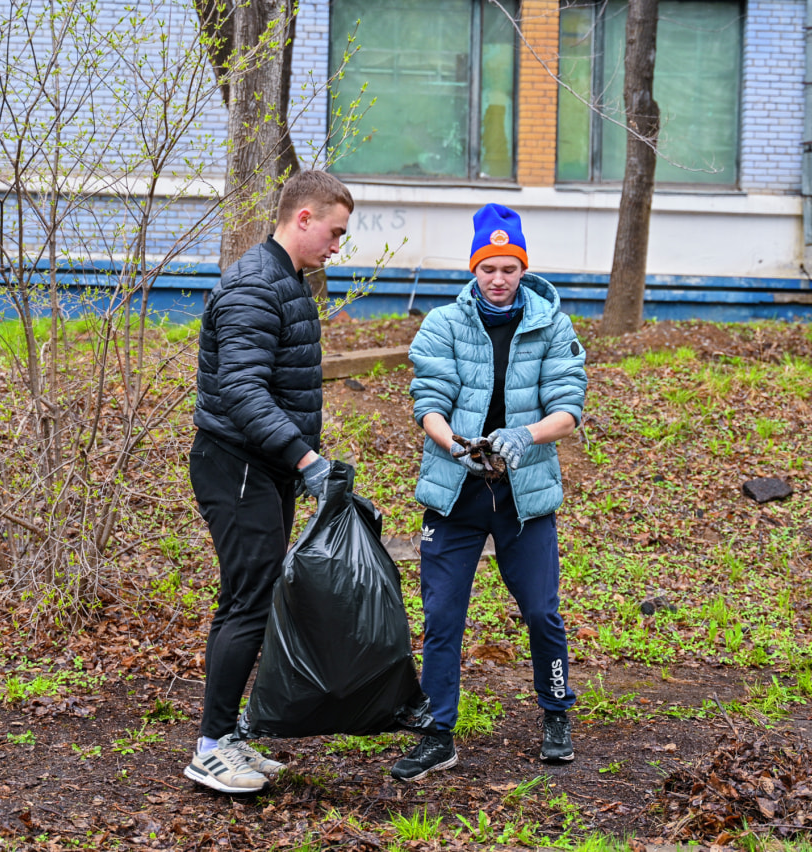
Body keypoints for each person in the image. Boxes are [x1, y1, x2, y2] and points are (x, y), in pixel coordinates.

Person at [392, 203, 587, 782]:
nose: (498, 279)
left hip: (524, 494)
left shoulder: (552, 324)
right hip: (456, 493)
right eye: (487, 269)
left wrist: (523, 437)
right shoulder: (444, 325)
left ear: (522, 268)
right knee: (443, 615)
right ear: (473, 269)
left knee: (541, 611)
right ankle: (437, 733)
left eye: (508, 268)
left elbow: (570, 409)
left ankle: (556, 714)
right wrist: (456, 446)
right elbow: (427, 401)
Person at [185, 170, 353, 794]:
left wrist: (297, 459)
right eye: (334, 232)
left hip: (263, 466)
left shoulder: (285, 280)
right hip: (238, 465)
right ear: (302, 217)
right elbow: (242, 391)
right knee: (247, 602)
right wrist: (306, 460)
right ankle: (209, 747)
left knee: (250, 599)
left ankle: (224, 736)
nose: (337, 246)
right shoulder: (257, 285)